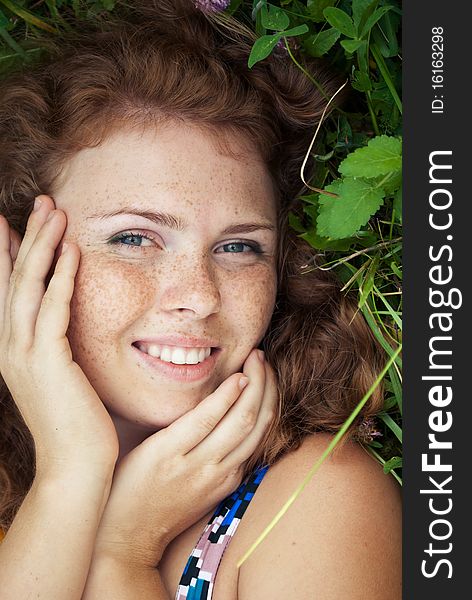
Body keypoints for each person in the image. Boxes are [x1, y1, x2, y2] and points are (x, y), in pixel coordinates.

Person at [0, 1, 401, 598]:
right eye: (134, 238)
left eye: (239, 247)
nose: (198, 296)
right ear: (22, 254)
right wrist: (71, 470)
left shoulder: (318, 499)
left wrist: (123, 556)